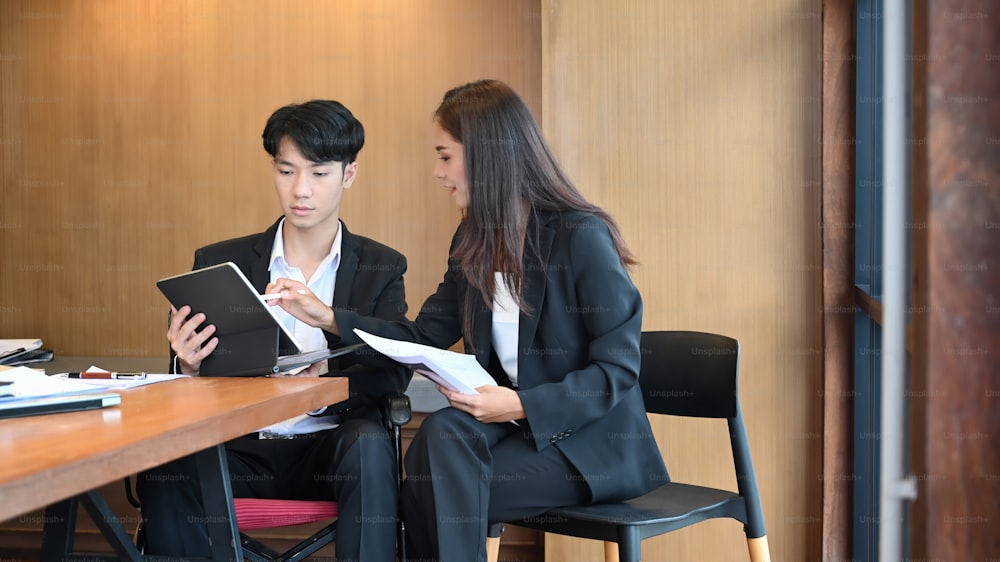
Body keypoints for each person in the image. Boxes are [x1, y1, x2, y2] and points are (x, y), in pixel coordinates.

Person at [266, 79, 669, 561]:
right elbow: (421, 337)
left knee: (432, 487)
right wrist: (328, 317)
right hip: (513, 435)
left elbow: (618, 371)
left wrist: (520, 406)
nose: (438, 172)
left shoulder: (580, 236)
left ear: (485, 155)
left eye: (444, 155)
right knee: (439, 439)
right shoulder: (472, 239)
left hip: (589, 447)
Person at [136, 99, 410, 562]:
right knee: (169, 457)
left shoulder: (381, 266)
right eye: (286, 171)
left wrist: (325, 381)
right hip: (238, 449)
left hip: (328, 450)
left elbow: (391, 373)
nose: (301, 189)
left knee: (368, 443)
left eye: (319, 173)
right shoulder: (220, 263)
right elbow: (185, 385)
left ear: (348, 175)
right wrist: (185, 364)